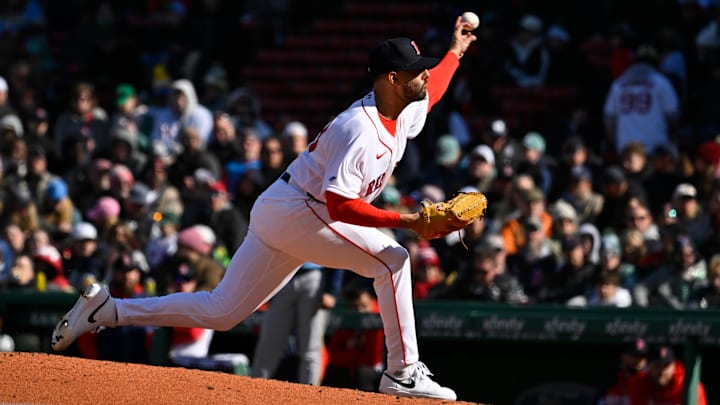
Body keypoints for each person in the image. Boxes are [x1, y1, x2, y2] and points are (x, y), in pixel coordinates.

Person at [50, 17, 476, 401]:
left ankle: (108, 310)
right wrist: (407, 223)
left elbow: (433, 90)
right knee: (393, 260)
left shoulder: (402, 107)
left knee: (222, 312)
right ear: (392, 78)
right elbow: (339, 204)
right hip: (304, 210)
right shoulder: (359, 129)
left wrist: (455, 52)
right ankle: (402, 372)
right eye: (416, 69)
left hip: (285, 208)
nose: (424, 73)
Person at [251, 263, 343, 385]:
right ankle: (256, 390)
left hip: (314, 278)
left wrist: (332, 290)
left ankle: (311, 396)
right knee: (269, 345)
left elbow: (336, 251)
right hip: (283, 276)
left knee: (311, 348)